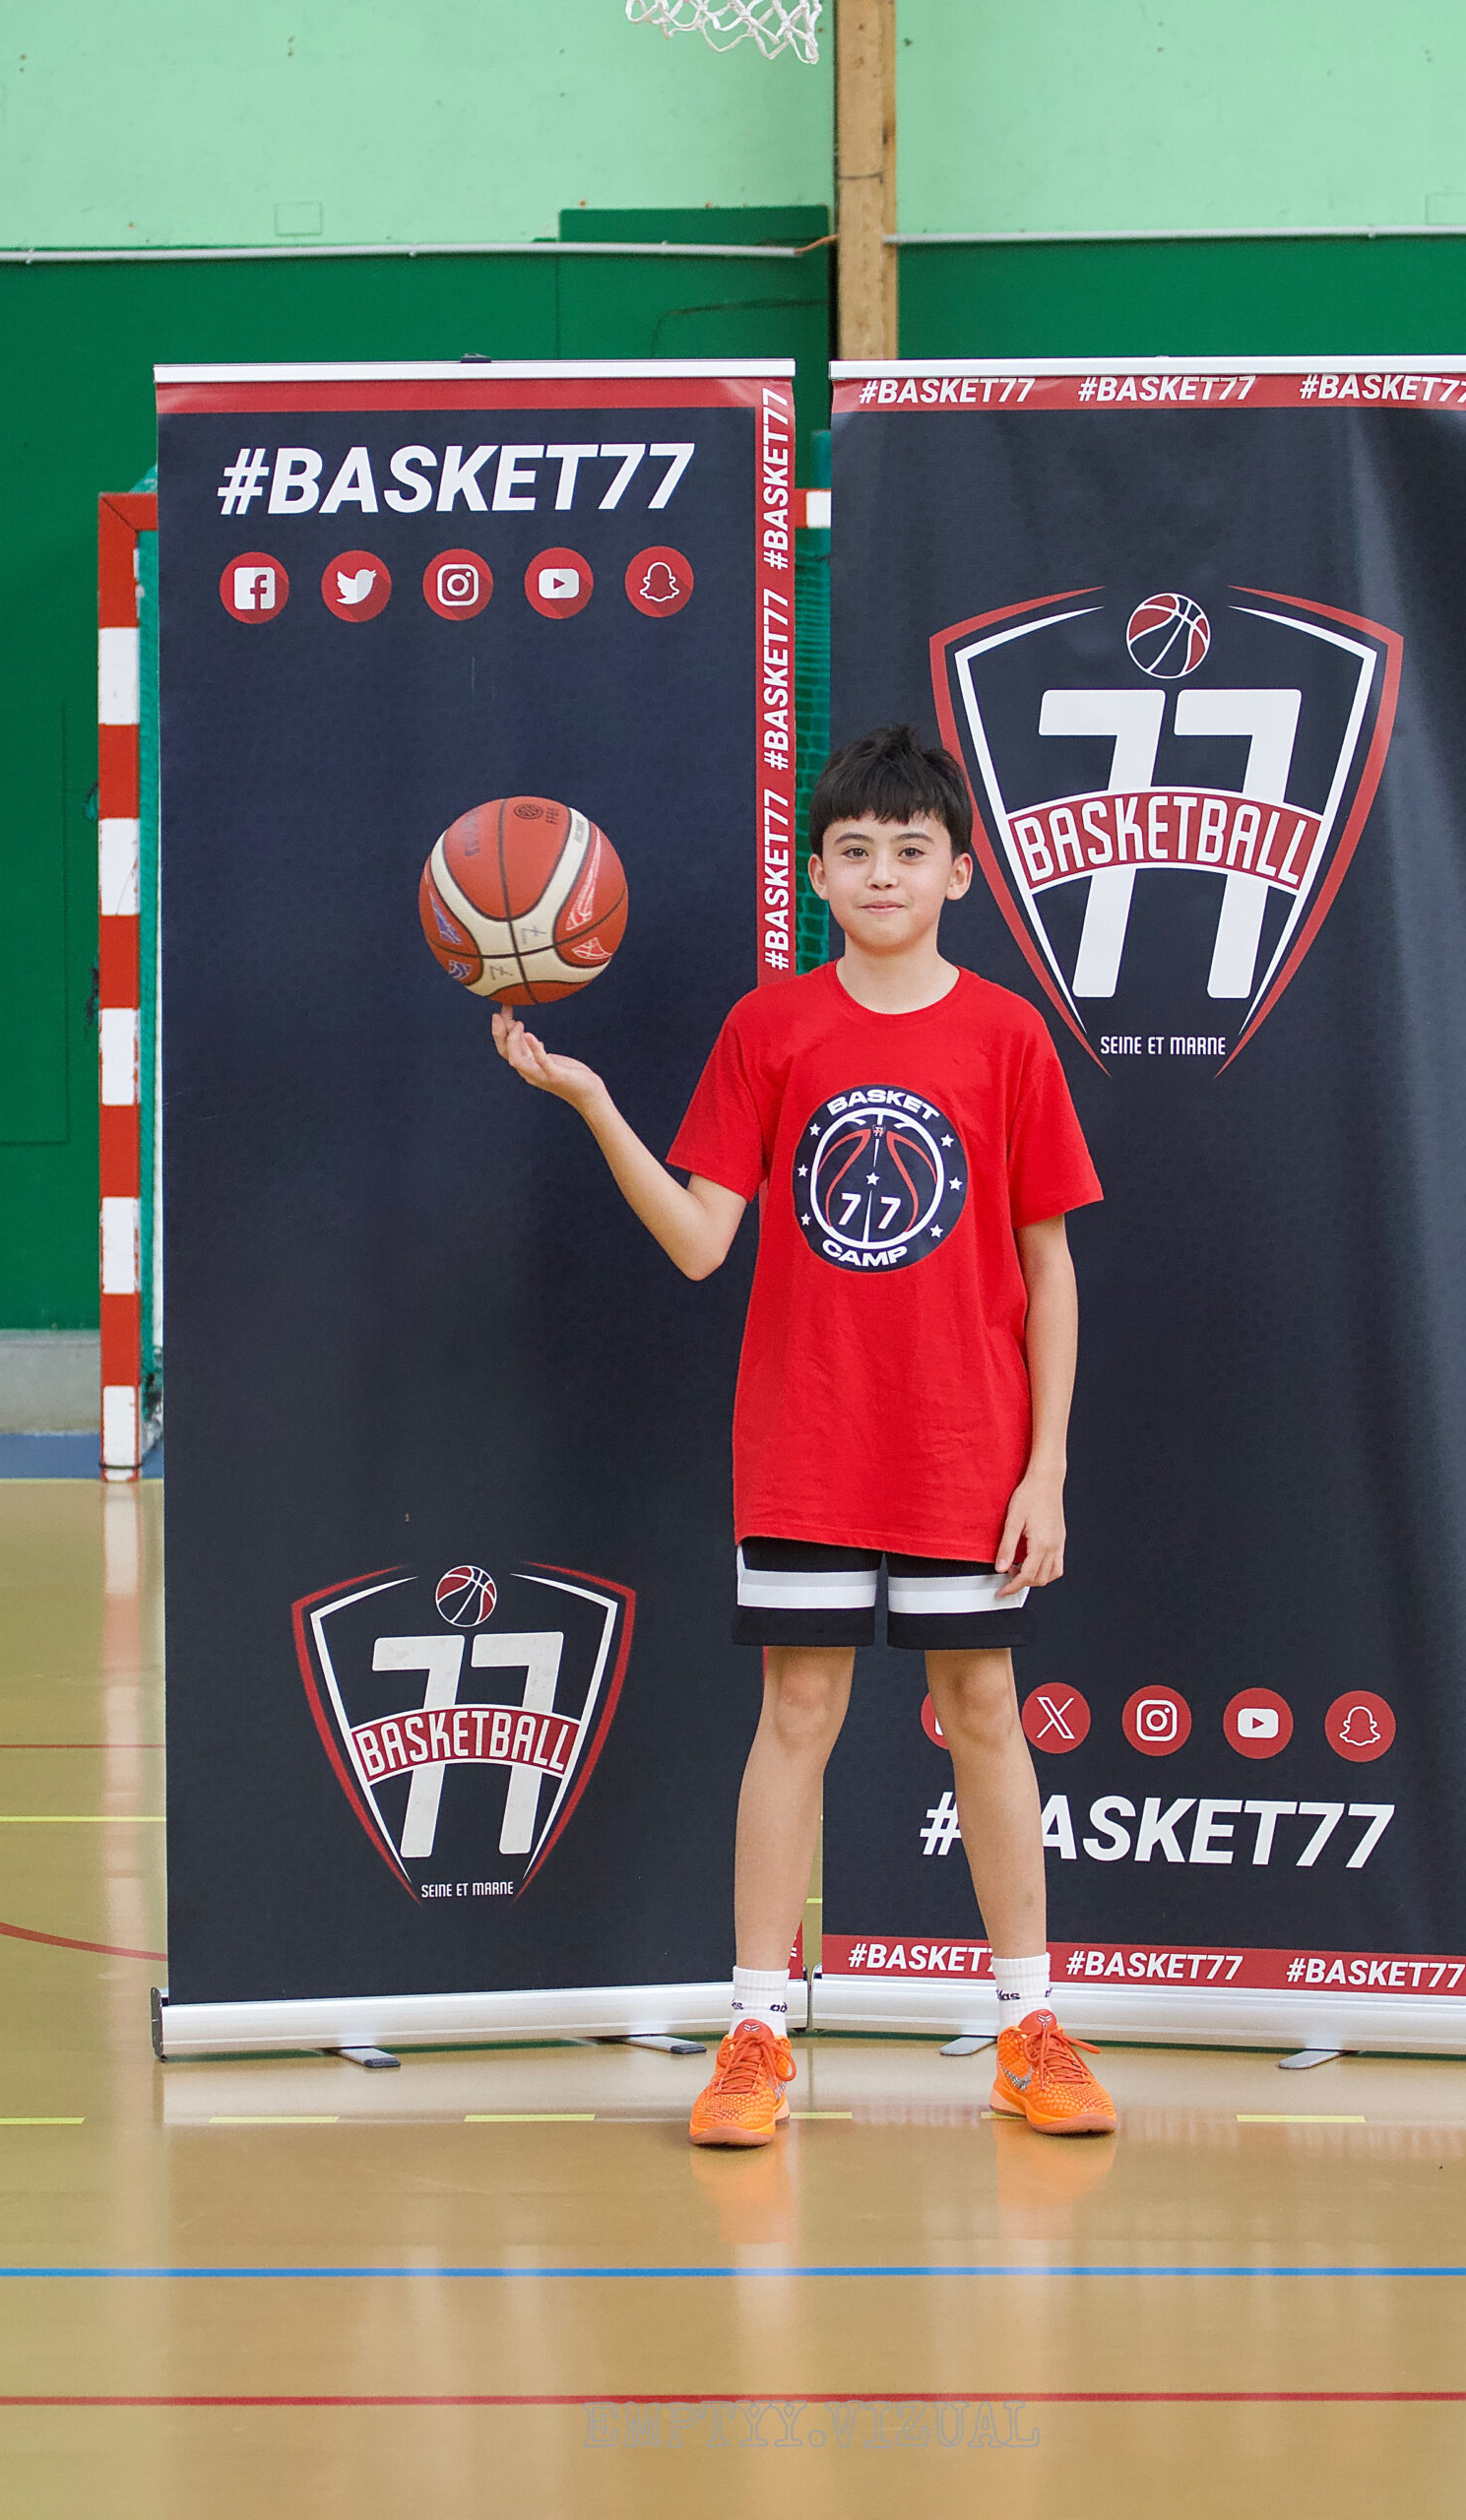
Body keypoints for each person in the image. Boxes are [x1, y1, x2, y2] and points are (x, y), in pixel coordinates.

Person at [492, 724, 1116, 2146]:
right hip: (810, 1438)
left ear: (960, 872)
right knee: (797, 1716)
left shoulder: (1007, 1035)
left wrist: (1046, 1467)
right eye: (855, 850)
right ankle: (755, 2035)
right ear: (818, 874)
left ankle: (1029, 2025)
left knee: (983, 1711)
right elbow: (701, 1242)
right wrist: (593, 1103)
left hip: (967, 1449)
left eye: (911, 850)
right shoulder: (769, 1029)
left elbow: (1051, 1263)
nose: (883, 872)